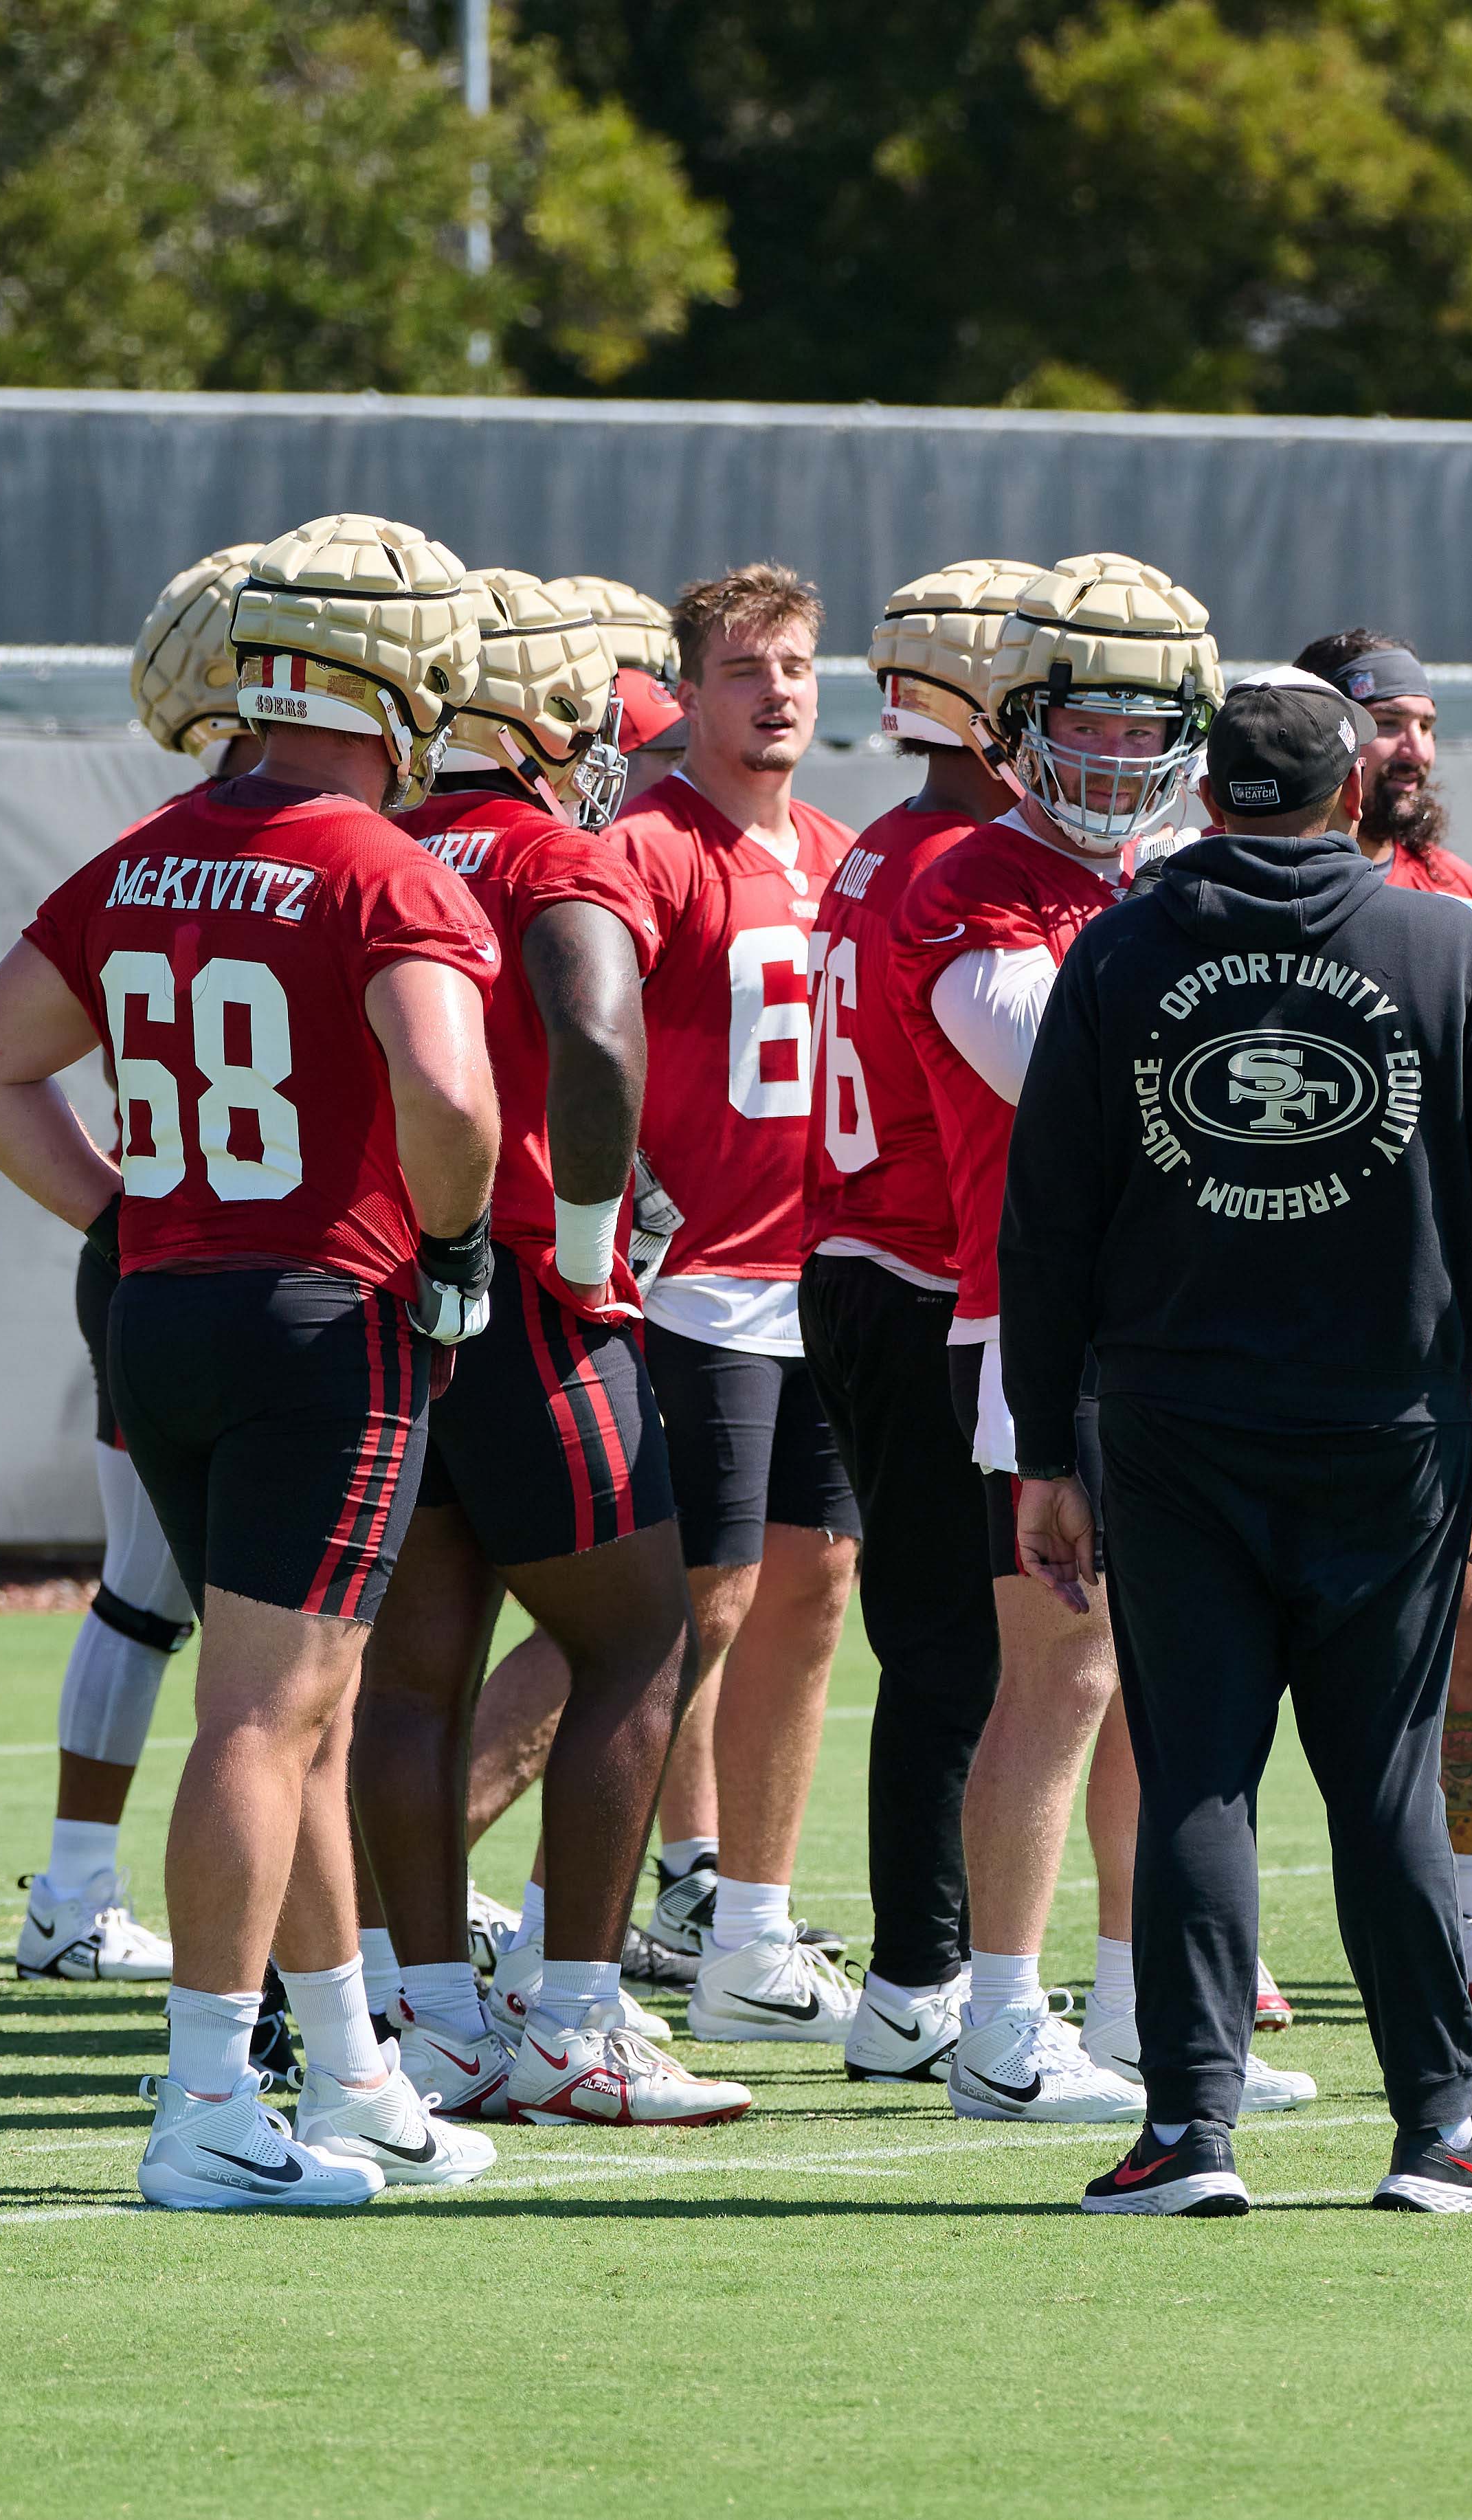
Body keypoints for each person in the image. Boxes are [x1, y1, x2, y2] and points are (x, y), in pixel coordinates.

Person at [0, 512, 509, 2206]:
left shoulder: (141, 852)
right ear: (393, 678)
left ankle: (347, 2071)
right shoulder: (381, 861)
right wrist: (460, 1243)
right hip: (320, 1312)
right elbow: (453, 1093)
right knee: (269, 1712)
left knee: (300, 1710)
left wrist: (124, 1216)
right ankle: (202, 2098)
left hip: (164, 1305)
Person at [1001, 671, 1472, 2215]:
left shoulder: (1121, 943)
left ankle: (1189, 2130)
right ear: (1343, 792)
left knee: (1198, 1771)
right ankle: (1437, 2132)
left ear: (1204, 794)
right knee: (1381, 1777)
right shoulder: (1442, 943)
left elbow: (1045, 1222)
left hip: (1172, 1424)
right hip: (1384, 1423)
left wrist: (1042, 1450)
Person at [888, 560, 1311, 2122]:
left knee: (1166, 1682)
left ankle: (1147, 2013)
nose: (1118, 757)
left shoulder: (1182, 872)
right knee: (1058, 1676)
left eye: (1151, 727)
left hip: (1185, 1317)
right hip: (1038, 1322)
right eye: (1086, 721)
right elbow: (1058, 1070)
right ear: (1014, 721)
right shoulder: (966, 876)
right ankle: (998, 2022)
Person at [374, 568, 748, 2130]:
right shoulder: (548, 846)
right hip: (527, 1286)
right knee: (643, 1640)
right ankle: (576, 2024)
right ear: (539, 715)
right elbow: (594, 1040)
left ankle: (433, 2020)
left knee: (412, 1676)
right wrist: (591, 1252)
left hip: (390, 1297)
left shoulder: (379, 840)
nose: (616, 739)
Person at [1291, 623, 1472, 2030]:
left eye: (1418, 721)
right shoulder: (1226, 881)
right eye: (1374, 721)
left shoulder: (1465, 900)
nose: (1402, 747)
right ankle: (1175, 1931)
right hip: (1260, 1322)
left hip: (1426, 1330)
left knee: (1462, 1619)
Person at [595, 563, 867, 2041]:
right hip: (690, 1283)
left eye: (799, 664)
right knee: (689, 1606)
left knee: (812, 1596)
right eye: (748, 665)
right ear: (687, 691)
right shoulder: (645, 845)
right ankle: (479, 1921)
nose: (777, 689)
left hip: (820, 1280)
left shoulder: (838, 849)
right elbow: (578, 1042)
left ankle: (745, 1932)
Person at [801, 558, 1042, 2084]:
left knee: (949, 1645)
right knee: (961, 1650)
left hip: (865, 1256)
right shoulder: (958, 861)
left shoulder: (883, 844)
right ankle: (920, 1975)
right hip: (913, 1268)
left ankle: (922, 1971)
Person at [10, 545, 259, 1989]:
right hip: (235, 1264)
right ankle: (87, 1887)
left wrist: (116, 1220)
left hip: (173, 1261)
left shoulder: (154, 844)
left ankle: (82, 1885)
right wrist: (120, 1215)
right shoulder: (301, 849)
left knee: (161, 1593)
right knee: (179, 1599)